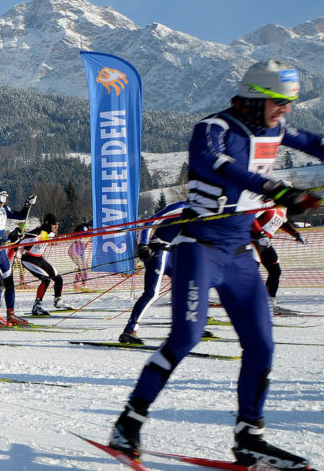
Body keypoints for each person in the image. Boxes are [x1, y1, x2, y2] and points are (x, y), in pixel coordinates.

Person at [109, 59, 323, 469]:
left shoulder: (276, 128)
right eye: (279, 102)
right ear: (256, 98)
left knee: (261, 345)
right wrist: (275, 189)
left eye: (289, 103)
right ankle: (128, 422)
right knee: (185, 338)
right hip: (199, 249)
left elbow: (314, 142)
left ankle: (250, 440)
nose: (286, 111)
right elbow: (216, 164)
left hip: (240, 254)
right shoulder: (214, 129)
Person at [118, 201, 187, 345]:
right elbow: (150, 221)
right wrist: (142, 245)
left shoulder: (205, 211)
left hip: (172, 255)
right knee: (152, 293)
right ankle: (129, 330)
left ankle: (186, 327)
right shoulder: (181, 207)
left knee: (186, 285)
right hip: (159, 251)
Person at [0, 186, 36, 327]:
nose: (4, 202)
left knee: (10, 283)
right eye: (2, 198)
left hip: (1, 252)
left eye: (5, 199)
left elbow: (21, 216)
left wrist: (28, 204)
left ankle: (11, 314)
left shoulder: (4, 209)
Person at [251, 205, 306, 314]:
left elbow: (283, 223)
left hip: (265, 243)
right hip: (252, 240)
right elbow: (250, 219)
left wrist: (296, 234)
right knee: (250, 273)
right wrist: (260, 233)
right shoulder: (266, 203)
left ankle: (269, 304)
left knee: (275, 271)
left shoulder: (283, 208)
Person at [19, 213, 62, 316]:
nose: (56, 227)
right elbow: (23, 241)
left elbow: (46, 237)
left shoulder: (51, 232)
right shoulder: (38, 233)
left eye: (57, 224)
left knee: (58, 278)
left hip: (39, 258)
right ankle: (37, 306)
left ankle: (58, 301)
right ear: (48, 224)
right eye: (54, 225)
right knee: (46, 279)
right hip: (28, 259)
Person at [69, 222, 92, 288]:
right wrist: (91, 232)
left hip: (79, 252)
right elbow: (81, 234)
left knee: (84, 267)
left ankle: (79, 283)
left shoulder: (87, 231)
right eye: (91, 227)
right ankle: (82, 284)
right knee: (83, 267)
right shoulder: (84, 229)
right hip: (74, 252)